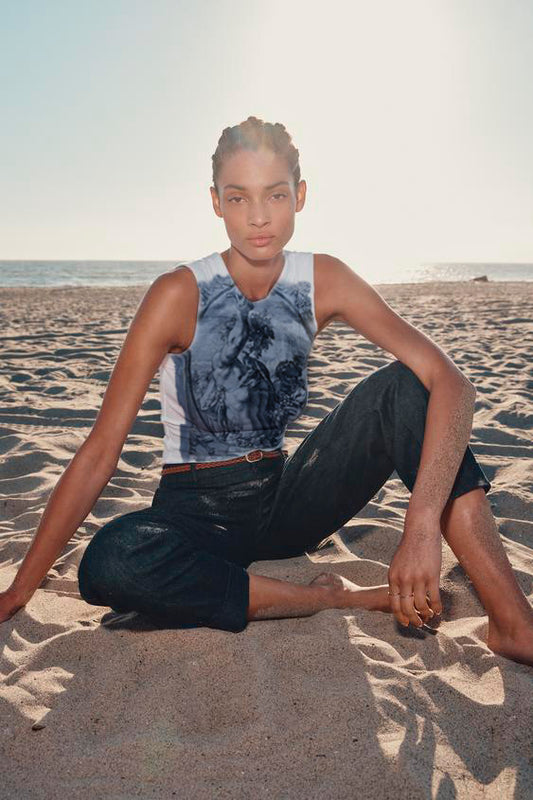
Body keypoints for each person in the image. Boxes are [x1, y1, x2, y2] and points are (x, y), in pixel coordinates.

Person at [2, 116, 532, 669]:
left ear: (299, 196)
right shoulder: (177, 295)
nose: (258, 217)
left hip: (282, 499)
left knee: (405, 389)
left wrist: (420, 525)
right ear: (216, 203)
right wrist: (20, 591)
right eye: (238, 198)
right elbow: (100, 452)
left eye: (275, 195)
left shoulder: (324, 279)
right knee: (110, 561)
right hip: (194, 514)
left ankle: (513, 624)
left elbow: (454, 384)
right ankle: (329, 598)